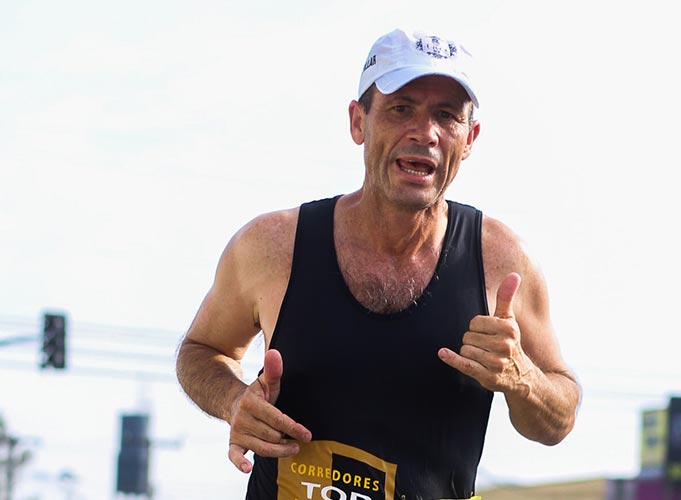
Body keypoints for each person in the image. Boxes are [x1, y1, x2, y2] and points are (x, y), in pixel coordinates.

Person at [176, 28, 581, 500]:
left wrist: (521, 378)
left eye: (446, 116)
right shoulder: (271, 246)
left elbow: (559, 418)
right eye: (402, 107)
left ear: (468, 139)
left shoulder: (501, 262)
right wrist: (233, 401)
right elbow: (201, 350)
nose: (425, 133)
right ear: (358, 122)